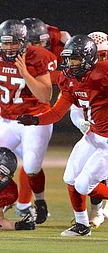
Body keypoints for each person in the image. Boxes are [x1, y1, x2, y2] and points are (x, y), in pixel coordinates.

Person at [17, 35, 108, 236]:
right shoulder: (68, 79)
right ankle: (82, 225)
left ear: (89, 58)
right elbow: (57, 112)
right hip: (93, 134)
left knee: (85, 184)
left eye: (75, 59)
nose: (70, 64)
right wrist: (35, 120)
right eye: (68, 59)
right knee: (70, 177)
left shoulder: (103, 72)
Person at [0, 19, 57, 225]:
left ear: (25, 42)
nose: (9, 48)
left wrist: (25, 73)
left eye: (14, 43)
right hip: (8, 120)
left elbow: (45, 96)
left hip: (35, 120)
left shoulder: (38, 57)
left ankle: (40, 201)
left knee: (32, 167)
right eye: (5, 43)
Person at [11, 18, 70, 218]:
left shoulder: (59, 41)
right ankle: (18, 203)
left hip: (57, 93)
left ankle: (24, 204)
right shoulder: (13, 51)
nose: (38, 47)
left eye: (41, 43)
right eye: (33, 43)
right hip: (26, 105)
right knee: (29, 160)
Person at [69, 31, 108, 229]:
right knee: (82, 177)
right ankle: (95, 211)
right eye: (98, 56)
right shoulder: (80, 76)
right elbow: (74, 108)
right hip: (95, 134)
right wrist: (82, 124)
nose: (101, 60)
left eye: (104, 55)